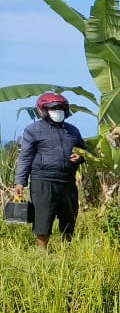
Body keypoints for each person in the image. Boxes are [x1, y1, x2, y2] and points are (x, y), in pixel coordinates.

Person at [14, 92, 87, 249]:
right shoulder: (32, 130)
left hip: (68, 181)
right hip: (43, 180)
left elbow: (84, 151)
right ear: (42, 110)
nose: (57, 111)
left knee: (69, 216)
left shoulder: (72, 131)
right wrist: (20, 182)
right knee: (43, 217)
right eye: (54, 108)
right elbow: (25, 157)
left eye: (61, 108)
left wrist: (80, 157)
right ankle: (42, 252)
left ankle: (67, 249)